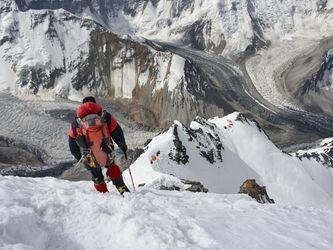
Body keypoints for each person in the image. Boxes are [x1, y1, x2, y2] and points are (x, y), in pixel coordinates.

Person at [68, 96, 130, 195]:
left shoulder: (76, 123)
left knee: (96, 174)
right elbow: (117, 133)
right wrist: (123, 146)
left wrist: (78, 157)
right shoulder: (106, 117)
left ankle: (104, 194)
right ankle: (123, 190)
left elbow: (72, 144)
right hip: (107, 150)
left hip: (90, 157)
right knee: (112, 167)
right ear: (95, 104)